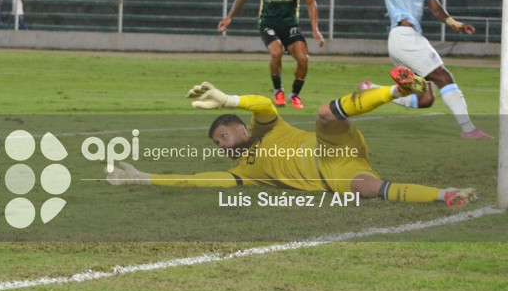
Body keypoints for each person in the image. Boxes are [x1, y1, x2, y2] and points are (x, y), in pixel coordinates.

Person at [105, 74, 478, 209]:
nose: (221, 146)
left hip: (328, 146)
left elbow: (265, 103)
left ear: (239, 128)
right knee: (370, 188)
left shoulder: (265, 127)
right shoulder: (242, 173)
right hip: (337, 175)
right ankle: (445, 194)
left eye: (222, 136)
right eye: (217, 143)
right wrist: (143, 177)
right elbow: (197, 179)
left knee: (324, 115)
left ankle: (397, 88)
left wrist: (230, 99)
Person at [355, 0, 492, 139]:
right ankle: (469, 129)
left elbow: (436, 8)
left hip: (408, 39)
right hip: (403, 35)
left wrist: (454, 24)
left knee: (426, 99)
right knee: (444, 77)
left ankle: (375, 89)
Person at [218, 0, 325, 109]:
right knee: (276, 52)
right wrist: (229, 16)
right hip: (268, 23)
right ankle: (278, 91)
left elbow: (311, 2)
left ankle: (295, 95)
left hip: (290, 26)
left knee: (303, 59)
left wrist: (315, 29)